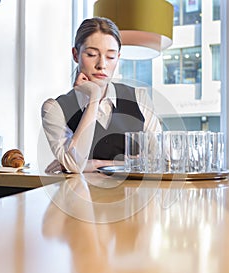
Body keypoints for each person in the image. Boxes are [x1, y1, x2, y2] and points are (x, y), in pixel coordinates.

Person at [41, 17, 161, 173]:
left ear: (118, 58)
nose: (102, 65)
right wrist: (94, 99)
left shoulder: (139, 98)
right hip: (79, 197)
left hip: (135, 196)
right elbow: (75, 164)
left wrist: (93, 164)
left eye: (110, 57)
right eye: (91, 54)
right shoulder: (54, 108)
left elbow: (159, 159)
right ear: (75, 55)